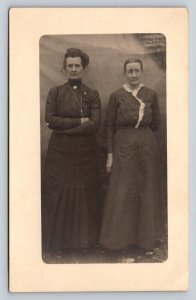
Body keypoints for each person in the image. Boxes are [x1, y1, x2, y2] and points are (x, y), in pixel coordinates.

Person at [100, 58, 164, 257]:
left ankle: (144, 240)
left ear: (142, 72)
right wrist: (110, 154)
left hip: (146, 146)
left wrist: (142, 138)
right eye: (130, 71)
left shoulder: (151, 94)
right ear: (125, 73)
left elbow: (156, 124)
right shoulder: (117, 95)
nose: (134, 74)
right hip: (123, 146)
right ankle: (119, 241)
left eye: (137, 70)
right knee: (123, 190)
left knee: (145, 188)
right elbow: (109, 126)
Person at [42, 48, 101, 258]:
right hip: (60, 151)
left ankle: (86, 241)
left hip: (85, 151)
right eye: (70, 66)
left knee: (84, 192)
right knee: (60, 191)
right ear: (64, 68)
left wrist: (65, 128)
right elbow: (50, 121)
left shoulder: (92, 94)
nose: (74, 69)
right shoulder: (55, 93)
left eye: (77, 66)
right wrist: (78, 122)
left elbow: (95, 125)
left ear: (83, 69)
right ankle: (59, 242)